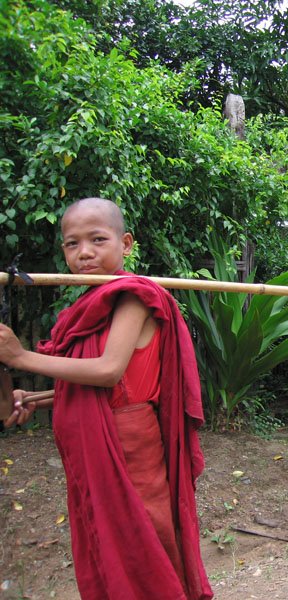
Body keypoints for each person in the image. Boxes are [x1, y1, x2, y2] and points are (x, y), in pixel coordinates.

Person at [0, 198, 213, 599]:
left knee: (143, 540)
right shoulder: (87, 304)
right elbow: (96, 387)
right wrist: (38, 397)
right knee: (106, 546)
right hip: (90, 449)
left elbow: (108, 371)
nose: (84, 253)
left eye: (98, 239)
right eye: (72, 244)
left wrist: (21, 356)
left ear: (125, 243)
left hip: (130, 447)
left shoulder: (132, 298)